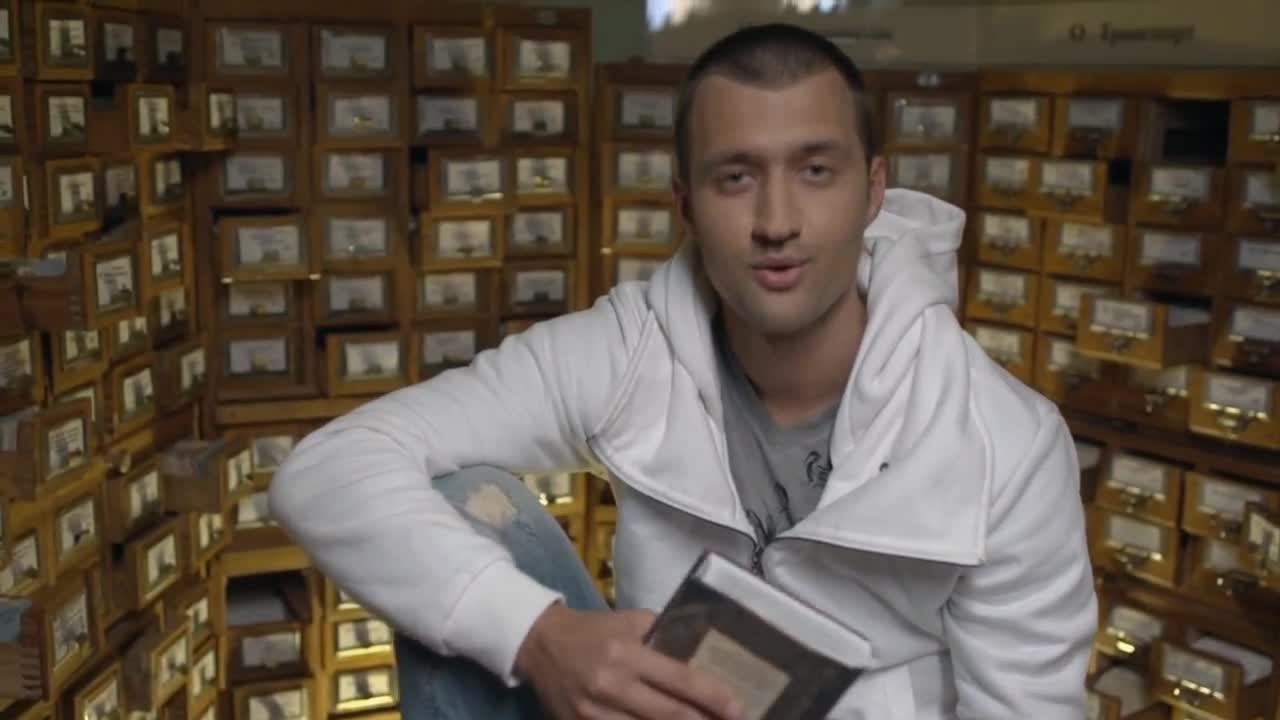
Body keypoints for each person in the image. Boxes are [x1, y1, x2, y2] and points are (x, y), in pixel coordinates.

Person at [270, 22, 1097, 720]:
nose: (777, 221)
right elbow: (329, 468)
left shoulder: (1006, 443)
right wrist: (537, 635)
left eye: (816, 170)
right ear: (685, 204)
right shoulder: (630, 348)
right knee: (461, 506)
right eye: (736, 177)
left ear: (873, 190)